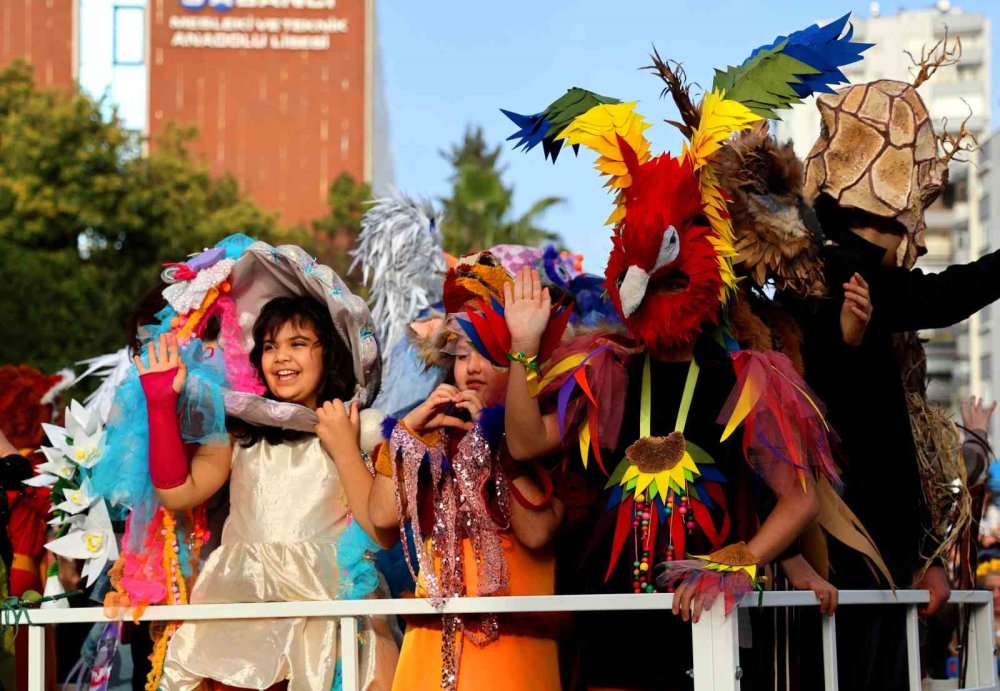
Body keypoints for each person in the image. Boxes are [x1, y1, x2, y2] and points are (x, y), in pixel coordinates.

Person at [139, 291, 397, 690]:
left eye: (298, 344)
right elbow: (177, 492)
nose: (280, 358)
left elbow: (382, 531)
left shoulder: (363, 429)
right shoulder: (239, 433)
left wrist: (343, 446)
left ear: (328, 352)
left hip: (324, 616)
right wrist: (159, 407)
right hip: (240, 614)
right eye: (270, 346)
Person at [356, 259, 565, 691]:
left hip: (513, 663)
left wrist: (494, 443)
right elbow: (380, 516)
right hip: (427, 661)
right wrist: (408, 432)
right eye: (462, 355)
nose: (471, 369)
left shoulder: (553, 438)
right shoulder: (435, 437)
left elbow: (537, 532)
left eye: (489, 354)